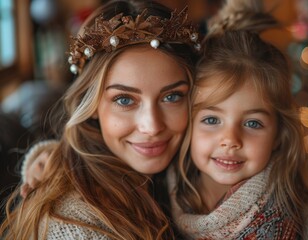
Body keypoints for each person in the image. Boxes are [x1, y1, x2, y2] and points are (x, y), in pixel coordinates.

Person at [0, 0, 199, 239]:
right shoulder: (76, 226)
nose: (152, 127)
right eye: (125, 100)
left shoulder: (185, 175)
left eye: (172, 96)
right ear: (91, 104)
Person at [170, 1, 308, 239]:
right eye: (212, 120)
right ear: (188, 123)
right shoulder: (157, 199)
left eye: (253, 123)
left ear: (278, 135)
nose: (230, 140)